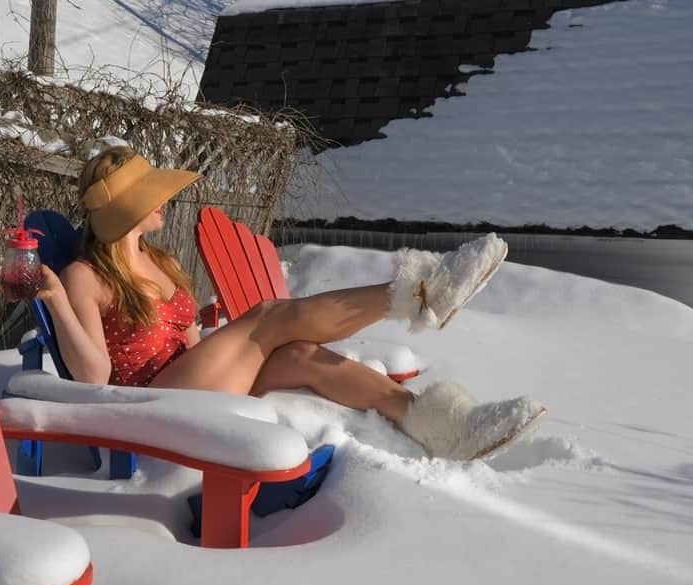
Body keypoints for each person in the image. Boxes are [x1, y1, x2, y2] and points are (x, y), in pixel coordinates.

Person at [33, 146, 547, 461]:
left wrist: (226, 353)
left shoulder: (160, 263)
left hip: (190, 384)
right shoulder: (84, 276)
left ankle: (441, 425)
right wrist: (56, 302)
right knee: (267, 316)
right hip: (145, 409)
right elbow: (95, 377)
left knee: (298, 354)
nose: (164, 199)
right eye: (153, 193)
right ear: (129, 208)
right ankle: (420, 292)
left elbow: (187, 342)